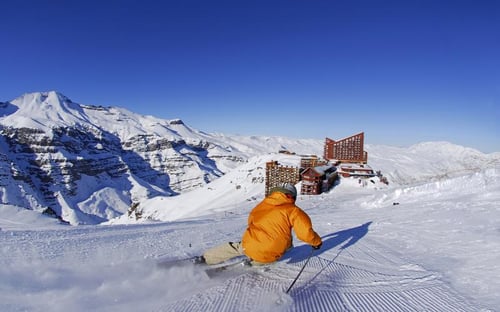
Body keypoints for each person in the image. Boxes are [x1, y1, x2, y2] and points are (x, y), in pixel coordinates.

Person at [196, 182, 322, 266]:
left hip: (250, 245)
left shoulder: (262, 205)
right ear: (292, 197)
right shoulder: (294, 211)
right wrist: (316, 242)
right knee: (279, 248)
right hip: (272, 252)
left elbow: (251, 221)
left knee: (237, 247)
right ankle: (253, 264)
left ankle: (205, 259)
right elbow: (305, 233)